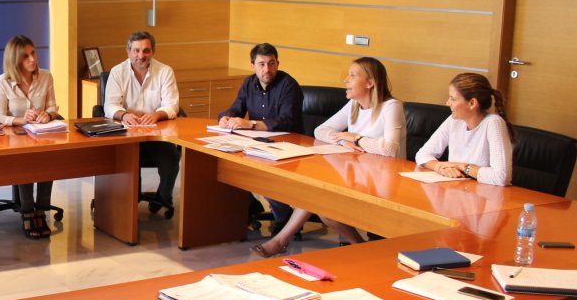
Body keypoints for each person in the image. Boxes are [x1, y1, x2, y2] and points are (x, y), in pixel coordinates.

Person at [253, 57, 406, 256]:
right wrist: (344, 141)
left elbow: (391, 149)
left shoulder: (391, 107)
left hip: (385, 185)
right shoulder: (354, 105)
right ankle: (361, 248)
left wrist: (357, 138)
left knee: (322, 203)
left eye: (352, 75)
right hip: (358, 178)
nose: (346, 80)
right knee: (324, 207)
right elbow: (321, 130)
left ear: (370, 83)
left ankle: (282, 240)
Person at [217, 43, 304, 233]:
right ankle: (251, 207)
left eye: (272, 63)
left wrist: (251, 124)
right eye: (262, 64)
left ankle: (285, 219)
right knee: (230, 169)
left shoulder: (288, 85)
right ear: (253, 65)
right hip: (258, 144)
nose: (267, 69)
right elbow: (236, 108)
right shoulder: (249, 83)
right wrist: (226, 117)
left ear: (278, 64)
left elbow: (286, 121)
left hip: (287, 145)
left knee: (262, 178)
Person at [103, 31, 181, 213]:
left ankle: (163, 196)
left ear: (152, 51)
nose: (141, 56)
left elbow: (172, 105)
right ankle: (128, 201)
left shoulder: (165, 71)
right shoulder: (117, 72)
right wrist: (123, 115)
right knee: (128, 158)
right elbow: (109, 106)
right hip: (125, 134)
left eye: (146, 51)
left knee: (171, 159)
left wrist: (157, 114)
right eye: (136, 51)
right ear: (128, 51)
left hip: (155, 133)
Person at [0, 35, 62, 239]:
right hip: (16, 137)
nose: (32, 59)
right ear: (15, 60)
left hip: (41, 135)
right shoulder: (3, 81)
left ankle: (41, 209)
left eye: (33, 53)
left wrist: (46, 114)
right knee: (25, 159)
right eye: (25, 56)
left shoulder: (46, 76)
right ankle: (27, 210)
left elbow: (53, 107)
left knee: (47, 157)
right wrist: (20, 119)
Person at [415, 72, 514, 186]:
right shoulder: (454, 120)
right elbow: (422, 154)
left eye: (453, 98)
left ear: (472, 103)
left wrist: (460, 166)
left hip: (487, 197)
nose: (448, 103)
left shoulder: (493, 123)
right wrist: (440, 167)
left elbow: (501, 177)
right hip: (458, 191)